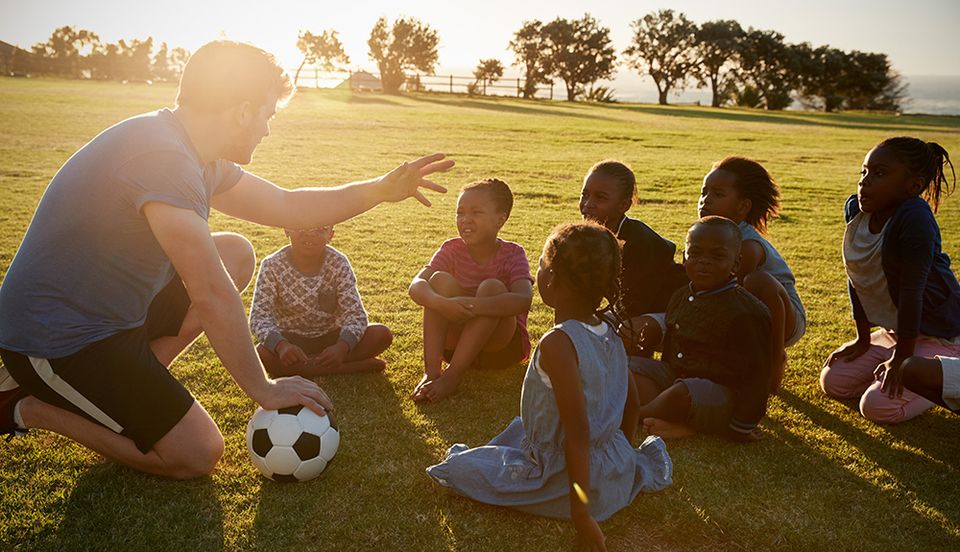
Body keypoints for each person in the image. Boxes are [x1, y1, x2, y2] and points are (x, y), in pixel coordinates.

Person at [0, 40, 452, 479]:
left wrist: (379, 191)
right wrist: (263, 387)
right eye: (267, 114)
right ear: (241, 111)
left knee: (235, 251)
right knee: (197, 453)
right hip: (55, 339)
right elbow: (210, 292)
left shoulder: (196, 153)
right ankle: (28, 406)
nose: (267, 129)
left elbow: (288, 205)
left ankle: (136, 383)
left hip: (109, 315)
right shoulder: (164, 158)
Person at [426, 222, 672, 551]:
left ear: (551, 280)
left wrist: (582, 516)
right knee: (519, 430)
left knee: (460, 468)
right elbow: (631, 403)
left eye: (540, 266)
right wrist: (623, 457)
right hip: (612, 469)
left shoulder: (558, 343)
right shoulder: (611, 328)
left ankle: (541, 484)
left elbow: (578, 431)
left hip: (569, 479)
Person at [821, 137, 959, 424]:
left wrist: (902, 360)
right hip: (898, 331)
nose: (865, 182)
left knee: (876, 407)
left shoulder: (914, 218)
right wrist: (861, 338)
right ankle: (897, 365)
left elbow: (912, 294)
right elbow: (858, 274)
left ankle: (945, 373)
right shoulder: (857, 210)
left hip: (942, 333)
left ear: (913, 186)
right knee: (834, 382)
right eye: (864, 172)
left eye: (880, 174)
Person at [631, 217, 772, 441]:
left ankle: (633, 417)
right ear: (684, 257)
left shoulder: (746, 312)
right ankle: (672, 419)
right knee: (631, 367)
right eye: (695, 253)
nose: (703, 262)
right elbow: (670, 351)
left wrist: (741, 427)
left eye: (717, 256)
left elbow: (756, 377)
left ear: (736, 263)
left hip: (720, 396)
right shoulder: (679, 296)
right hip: (677, 377)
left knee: (682, 393)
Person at [409, 179, 533, 403]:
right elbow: (416, 285)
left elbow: (523, 299)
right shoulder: (451, 249)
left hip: (500, 350)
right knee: (438, 281)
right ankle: (432, 372)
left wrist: (471, 305)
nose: (465, 219)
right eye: (460, 213)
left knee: (492, 287)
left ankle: (453, 376)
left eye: (476, 212)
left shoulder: (513, 253)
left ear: (500, 219)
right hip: (455, 349)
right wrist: (441, 303)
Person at [698, 157, 806, 391]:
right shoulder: (705, 236)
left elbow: (728, 292)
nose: (705, 200)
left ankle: (774, 359)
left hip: (784, 318)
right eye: (704, 192)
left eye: (717, 194)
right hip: (744, 313)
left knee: (756, 281)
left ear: (743, 207)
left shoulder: (748, 245)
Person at [250, 225, 393, 377]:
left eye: (321, 228)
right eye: (302, 226)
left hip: (333, 337)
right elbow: (259, 317)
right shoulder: (272, 265)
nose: (310, 234)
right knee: (262, 354)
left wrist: (342, 347)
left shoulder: (338, 262)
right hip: (291, 340)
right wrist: (282, 346)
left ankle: (308, 368)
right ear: (287, 229)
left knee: (381, 334)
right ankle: (346, 367)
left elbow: (355, 314)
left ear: (331, 235)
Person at [578, 160, 687, 358]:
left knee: (623, 330)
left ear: (624, 205)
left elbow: (635, 305)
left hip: (671, 312)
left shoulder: (638, 241)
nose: (588, 204)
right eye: (585, 194)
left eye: (600, 197)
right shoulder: (588, 237)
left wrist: (598, 318)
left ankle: (631, 369)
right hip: (632, 309)